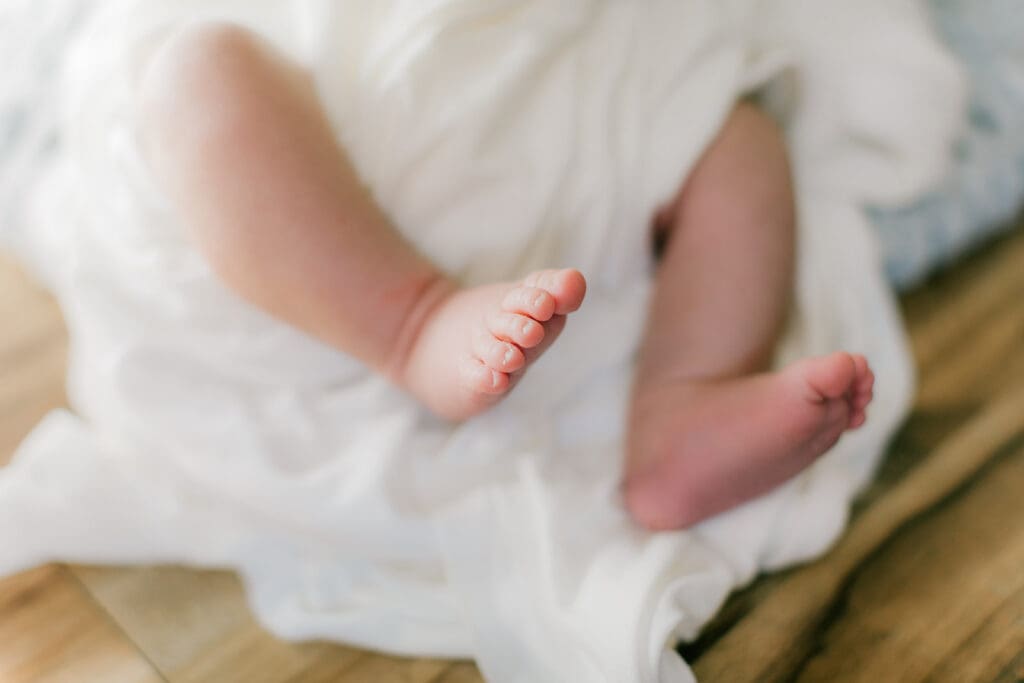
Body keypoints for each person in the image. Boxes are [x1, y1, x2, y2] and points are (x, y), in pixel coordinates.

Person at [136, 21, 874, 531]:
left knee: (741, 143)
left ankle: (688, 400)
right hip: (338, 95)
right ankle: (410, 323)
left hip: (571, 79)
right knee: (196, 78)